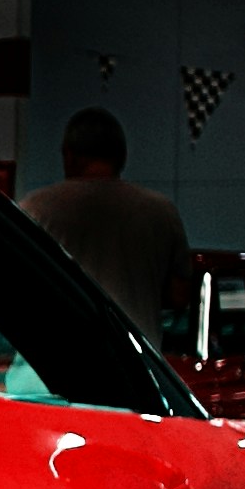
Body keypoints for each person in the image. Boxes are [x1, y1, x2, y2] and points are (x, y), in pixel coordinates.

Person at [24, 104, 190, 341]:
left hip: (49, 369)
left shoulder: (36, 209)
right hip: (130, 370)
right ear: (122, 156)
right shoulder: (161, 212)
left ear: (68, 155)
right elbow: (180, 296)